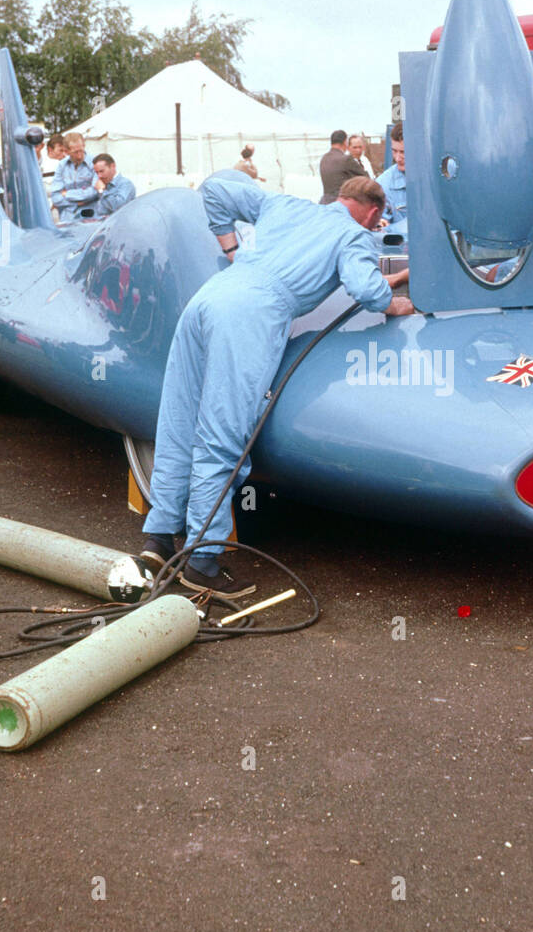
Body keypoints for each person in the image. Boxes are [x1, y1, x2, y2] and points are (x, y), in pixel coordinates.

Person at [140, 173, 415, 591]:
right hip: (250, 316)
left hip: (209, 298)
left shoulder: (285, 204)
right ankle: (202, 563)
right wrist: (393, 302)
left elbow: (213, 188)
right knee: (224, 435)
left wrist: (229, 248)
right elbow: (365, 289)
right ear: (374, 213)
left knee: (180, 418)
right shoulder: (353, 237)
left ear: (340, 197)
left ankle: (158, 537)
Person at [51, 133, 96, 222]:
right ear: (66, 151)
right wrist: (80, 202)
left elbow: (94, 192)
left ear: (84, 145)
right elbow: (55, 198)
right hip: (67, 219)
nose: (79, 155)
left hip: (89, 217)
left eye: (81, 150)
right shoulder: (61, 166)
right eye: (75, 152)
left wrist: (66, 194)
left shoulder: (95, 163)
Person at [318, 129, 366, 204]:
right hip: (342, 204)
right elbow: (365, 178)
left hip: (325, 202)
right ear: (345, 142)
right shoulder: (346, 159)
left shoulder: (324, 158)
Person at [376, 124, 407, 231]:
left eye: (403, 152)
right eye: (394, 151)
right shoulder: (383, 184)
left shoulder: (441, 178)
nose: (398, 158)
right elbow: (380, 223)